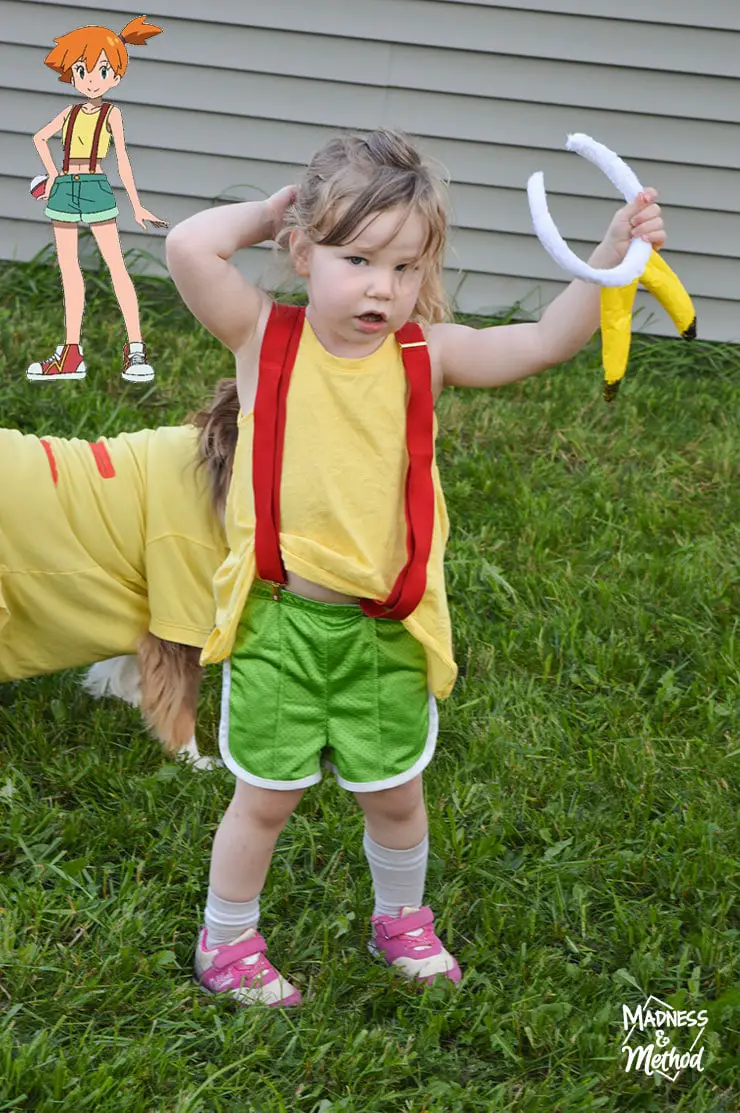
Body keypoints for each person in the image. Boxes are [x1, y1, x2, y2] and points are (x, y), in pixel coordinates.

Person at [165, 128, 666, 1007]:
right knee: (266, 799)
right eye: (357, 259)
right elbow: (187, 248)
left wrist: (608, 258)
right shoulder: (263, 337)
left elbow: (545, 340)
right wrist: (272, 211)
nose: (382, 288)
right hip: (283, 623)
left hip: (389, 629)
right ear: (302, 253)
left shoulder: (422, 355)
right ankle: (228, 938)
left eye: (405, 267)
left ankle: (399, 918)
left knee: (396, 796)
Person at [28, 15, 167, 384]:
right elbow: (39, 138)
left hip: (94, 186)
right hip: (65, 189)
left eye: (101, 70)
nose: (90, 78)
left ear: (115, 76)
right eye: (81, 69)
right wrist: (53, 173)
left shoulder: (111, 113)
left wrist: (136, 204)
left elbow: (121, 160)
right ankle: (71, 352)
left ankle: (135, 347)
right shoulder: (69, 113)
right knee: (69, 271)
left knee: (116, 266)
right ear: (72, 75)